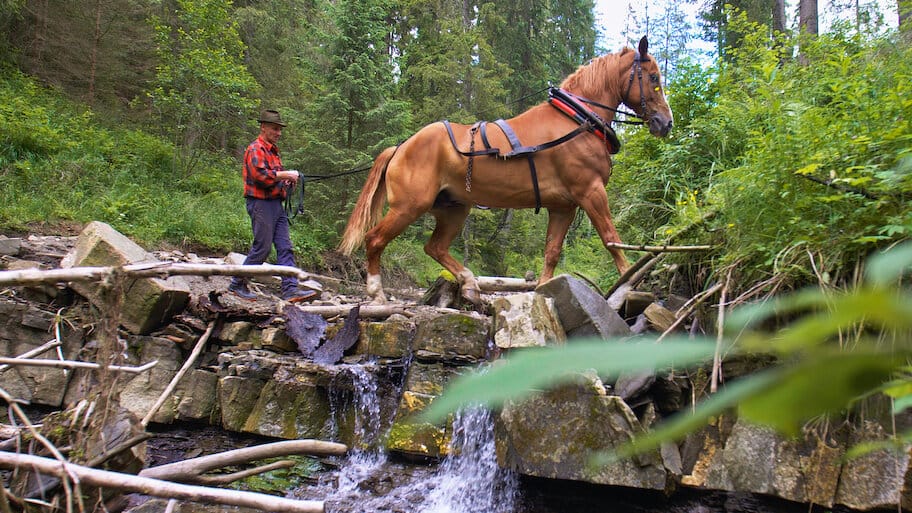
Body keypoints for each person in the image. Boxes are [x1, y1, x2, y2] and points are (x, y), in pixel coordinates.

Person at [228, 109, 317, 303]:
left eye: (279, 130)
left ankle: (290, 290)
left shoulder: (273, 152)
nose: (278, 133)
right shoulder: (255, 149)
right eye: (275, 129)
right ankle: (236, 284)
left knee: (285, 247)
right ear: (263, 127)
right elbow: (260, 176)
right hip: (260, 204)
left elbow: (272, 178)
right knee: (262, 247)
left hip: (276, 205)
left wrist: (285, 182)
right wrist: (285, 175)